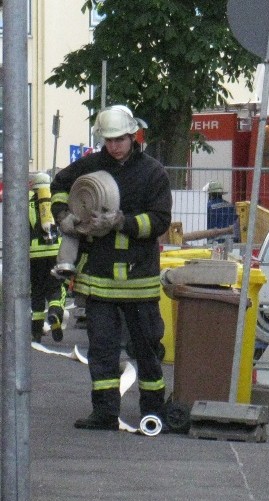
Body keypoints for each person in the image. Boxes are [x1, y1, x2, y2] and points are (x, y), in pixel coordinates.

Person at [50, 104, 172, 431]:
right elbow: (60, 185)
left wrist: (124, 222)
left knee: (146, 348)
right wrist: (65, 215)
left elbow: (160, 221)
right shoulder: (90, 166)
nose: (114, 146)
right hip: (99, 279)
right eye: (109, 140)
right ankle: (104, 412)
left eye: (120, 139)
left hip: (138, 279)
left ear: (133, 136)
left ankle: (153, 411)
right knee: (102, 349)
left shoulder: (152, 173)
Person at [29, 172, 67, 343]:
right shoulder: (53, 198)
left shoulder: (26, 201)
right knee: (56, 286)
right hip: (54, 251)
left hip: (33, 253)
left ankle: (36, 331)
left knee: (36, 290)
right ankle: (54, 313)